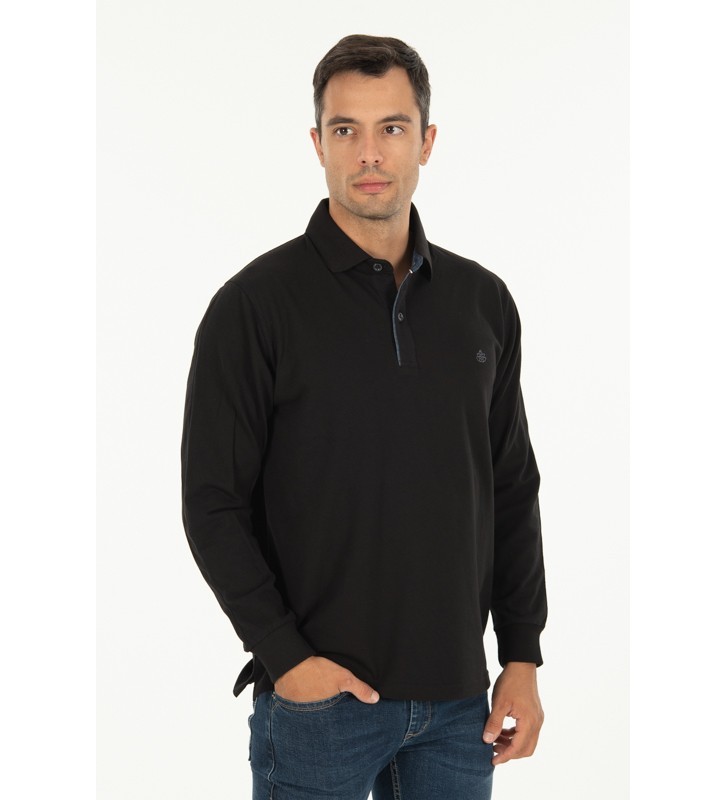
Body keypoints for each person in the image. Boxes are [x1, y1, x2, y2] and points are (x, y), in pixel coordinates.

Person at [181, 34, 547, 800]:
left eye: (392, 128)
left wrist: (520, 654)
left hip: (458, 706)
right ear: (318, 144)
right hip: (319, 707)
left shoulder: (481, 302)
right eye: (345, 129)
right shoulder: (254, 307)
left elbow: (510, 486)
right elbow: (213, 502)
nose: (369, 153)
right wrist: (286, 658)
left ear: (426, 141)